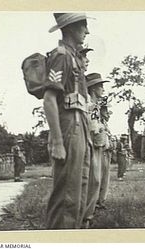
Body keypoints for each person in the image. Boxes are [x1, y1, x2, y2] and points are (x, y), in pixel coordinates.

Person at [44, 13, 91, 229]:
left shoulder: (74, 57)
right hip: (69, 127)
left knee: (78, 187)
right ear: (71, 28)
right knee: (66, 196)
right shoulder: (62, 55)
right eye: (83, 26)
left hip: (80, 124)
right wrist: (57, 141)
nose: (87, 32)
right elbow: (50, 99)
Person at [83, 72, 109, 228]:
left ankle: (88, 214)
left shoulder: (96, 105)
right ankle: (85, 215)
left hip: (98, 144)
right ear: (93, 88)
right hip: (90, 144)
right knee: (93, 180)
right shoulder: (88, 104)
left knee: (97, 180)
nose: (103, 89)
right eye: (100, 86)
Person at [97, 104, 113, 209]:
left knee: (105, 178)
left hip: (107, 152)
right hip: (99, 151)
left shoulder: (105, 124)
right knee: (98, 177)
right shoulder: (97, 123)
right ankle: (95, 201)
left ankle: (101, 200)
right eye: (106, 112)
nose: (108, 115)